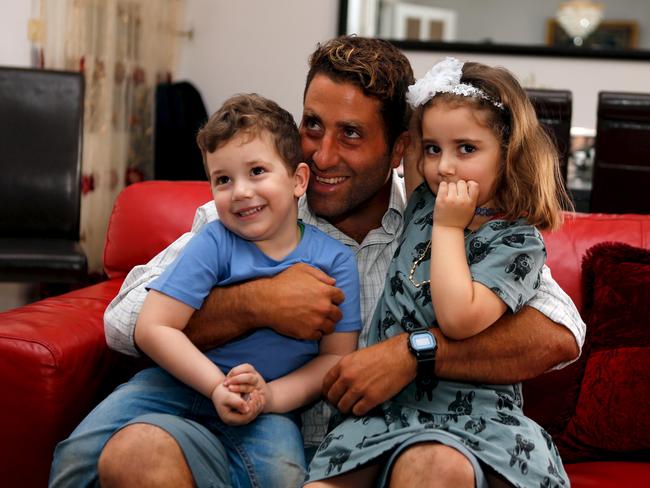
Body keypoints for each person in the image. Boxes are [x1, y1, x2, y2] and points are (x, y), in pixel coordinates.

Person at [50, 36, 585, 487]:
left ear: (400, 148)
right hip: (211, 413)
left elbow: (559, 334)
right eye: (312, 126)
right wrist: (254, 304)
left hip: (346, 444)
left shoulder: (441, 221)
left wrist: (414, 352)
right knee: (105, 459)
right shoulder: (254, 205)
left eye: (350, 134)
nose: (321, 155)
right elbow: (122, 322)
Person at [305, 57, 571, 488]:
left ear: (509, 153)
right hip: (387, 412)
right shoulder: (425, 200)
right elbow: (410, 140)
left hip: (471, 415)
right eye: (433, 149)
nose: (444, 165)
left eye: (466, 148)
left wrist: (449, 227)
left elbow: (459, 318)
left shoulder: (514, 243)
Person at [140, 93, 360, 485]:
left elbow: (333, 361)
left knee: (284, 476)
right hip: (175, 386)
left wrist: (270, 397)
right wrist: (213, 385)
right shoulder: (213, 241)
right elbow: (153, 326)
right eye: (223, 179)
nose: (240, 191)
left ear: (298, 180)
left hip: (266, 403)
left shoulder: (335, 261)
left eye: (256, 171)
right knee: (80, 450)